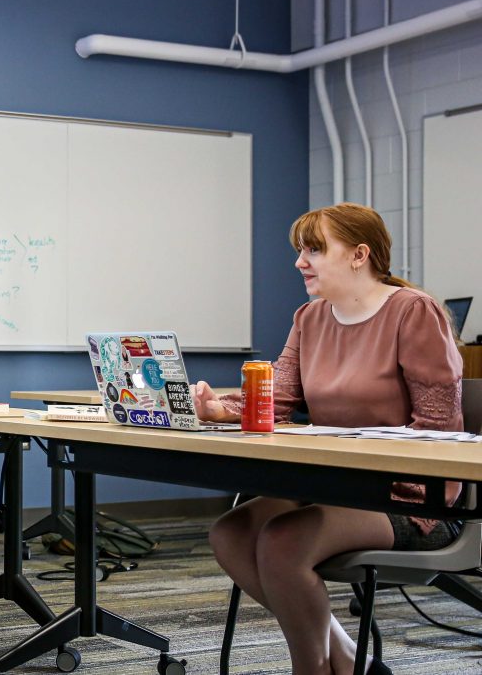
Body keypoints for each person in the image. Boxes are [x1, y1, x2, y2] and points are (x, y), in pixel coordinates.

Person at [194, 203, 463, 675]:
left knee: (283, 542)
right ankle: (348, 660)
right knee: (231, 533)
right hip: (332, 488)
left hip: (411, 499)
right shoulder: (310, 318)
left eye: (314, 249)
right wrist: (219, 408)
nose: (300, 261)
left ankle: (313, 668)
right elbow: (274, 399)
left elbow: (439, 431)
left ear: (360, 254)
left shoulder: (412, 312)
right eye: (300, 250)